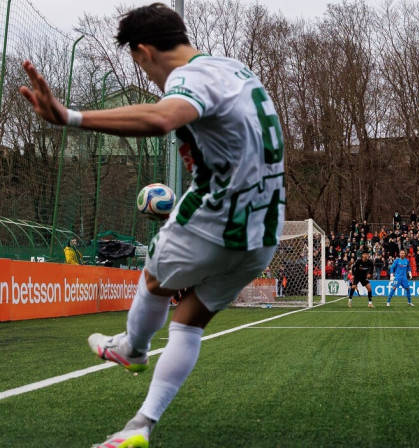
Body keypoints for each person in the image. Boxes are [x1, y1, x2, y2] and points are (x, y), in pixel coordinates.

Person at [20, 4, 286, 446]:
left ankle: (133, 348)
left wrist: (69, 116)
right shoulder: (234, 71)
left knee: (153, 280)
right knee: (188, 322)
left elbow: (163, 118)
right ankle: (140, 425)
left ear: (143, 52)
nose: (150, 79)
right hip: (264, 232)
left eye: (141, 67)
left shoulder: (189, 78)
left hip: (216, 217)